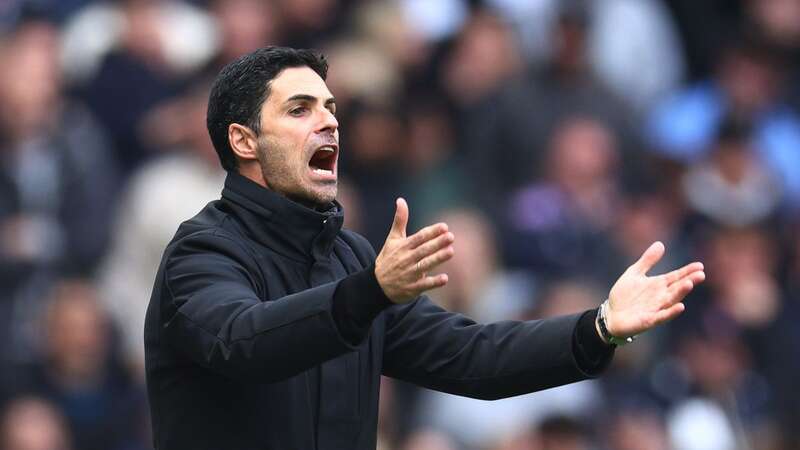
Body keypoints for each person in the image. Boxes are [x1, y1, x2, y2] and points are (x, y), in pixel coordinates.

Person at [144, 47, 705, 450]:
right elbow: (245, 342)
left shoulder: (352, 259)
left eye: (330, 107)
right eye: (300, 109)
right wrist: (367, 294)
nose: (329, 123)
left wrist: (598, 326)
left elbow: (475, 358)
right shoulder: (202, 255)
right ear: (244, 140)